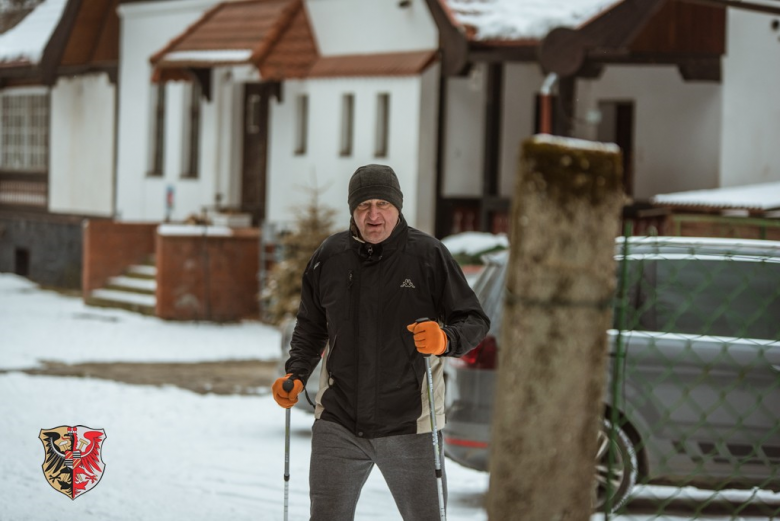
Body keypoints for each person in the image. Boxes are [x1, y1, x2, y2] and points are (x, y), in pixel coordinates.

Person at [272, 164, 490, 521]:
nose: (373, 215)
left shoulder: (428, 256)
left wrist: (444, 339)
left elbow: (475, 321)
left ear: (398, 207)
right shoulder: (329, 257)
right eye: (363, 206)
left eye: (383, 205)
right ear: (352, 210)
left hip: (410, 423)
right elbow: (311, 326)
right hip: (338, 421)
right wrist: (295, 374)